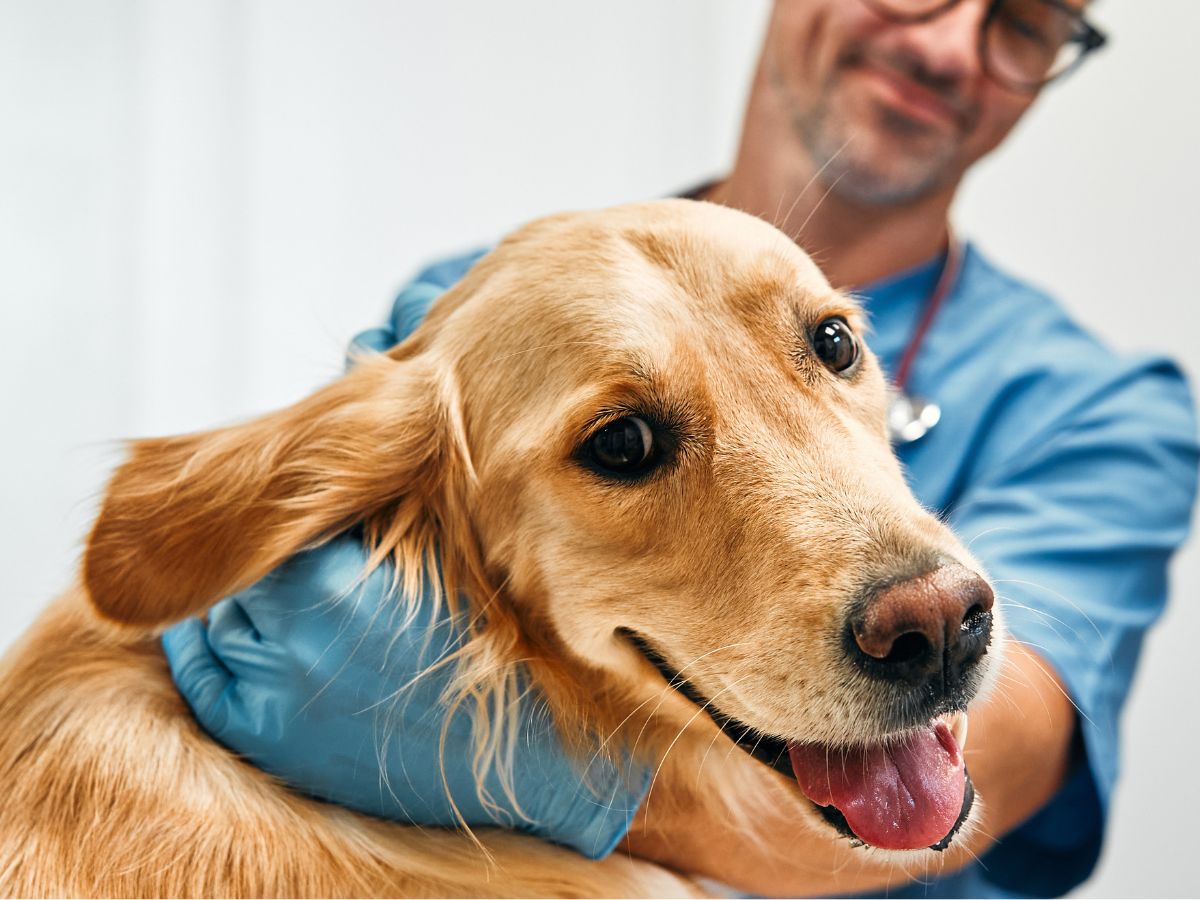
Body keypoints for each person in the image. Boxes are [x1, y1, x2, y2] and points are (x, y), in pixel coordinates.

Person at [161, 0, 1198, 895]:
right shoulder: (475, 317)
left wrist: (494, 766)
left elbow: (1007, 752)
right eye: (625, 443)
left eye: (1024, 21)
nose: (949, 47)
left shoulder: (1105, 408)